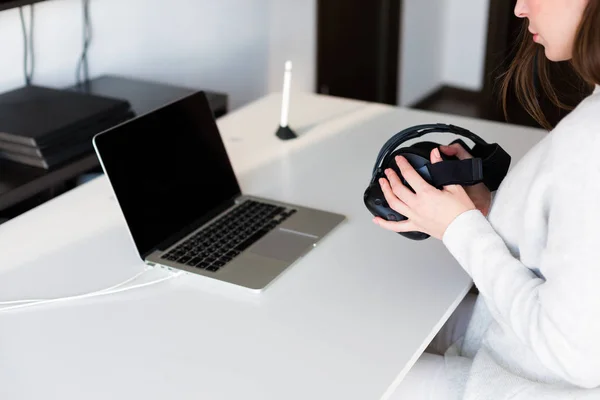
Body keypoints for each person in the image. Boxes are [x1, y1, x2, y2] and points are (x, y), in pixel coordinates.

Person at [376, 0, 600, 398]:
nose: (519, 8)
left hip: (524, 380)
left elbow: (576, 354)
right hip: (510, 345)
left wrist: (461, 230)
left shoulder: (590, 139)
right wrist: (490, 208)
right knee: (384, 317)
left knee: (360, 369)